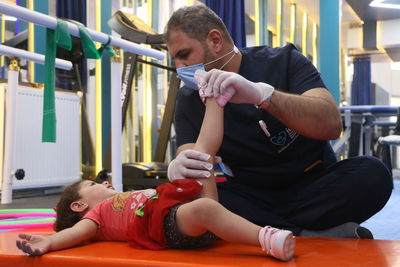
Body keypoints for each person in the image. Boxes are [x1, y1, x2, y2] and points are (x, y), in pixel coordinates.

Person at [165, 5, 393, 239]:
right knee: (198, 203)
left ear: (215, 40)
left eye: (184, 55)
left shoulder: (283, 61)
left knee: (373, 174)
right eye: (175, 59)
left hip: (314, 187)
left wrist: (264, 96)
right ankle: (306, 234)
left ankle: (273, 232)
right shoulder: (189, 99)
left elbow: (332, 124)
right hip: (251, 196)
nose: (180, 68)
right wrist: (180, 168)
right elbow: (197, 171)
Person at [15, 71, 296, 262]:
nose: (103, 184)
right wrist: (48, 242)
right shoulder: (96, 217)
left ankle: (215, 99)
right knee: (205, 208)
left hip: (181, 214)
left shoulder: (116, 200)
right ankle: (267, 239)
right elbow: (75, 234)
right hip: (167, 227)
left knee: (202, 159)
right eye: (92, 185)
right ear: (79, 206)